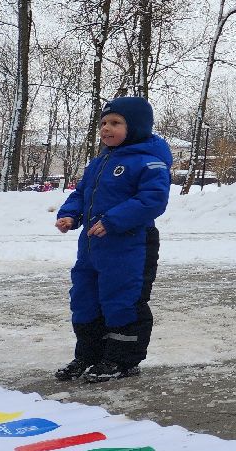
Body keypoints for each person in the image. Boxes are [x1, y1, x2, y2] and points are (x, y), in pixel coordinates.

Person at [54, 95, 172, 383]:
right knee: (85, 298)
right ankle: (89, 355)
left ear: (136, 127)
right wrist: (71, 214)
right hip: (93, 246)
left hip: (131, 245)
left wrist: (114, 220)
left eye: (116, 123)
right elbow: (81, 194)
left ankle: (122, 360)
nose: (106, 128)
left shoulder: (149, 162)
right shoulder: (99, 163)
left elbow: (153, 200)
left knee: (122, 299)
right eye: (104, 123)